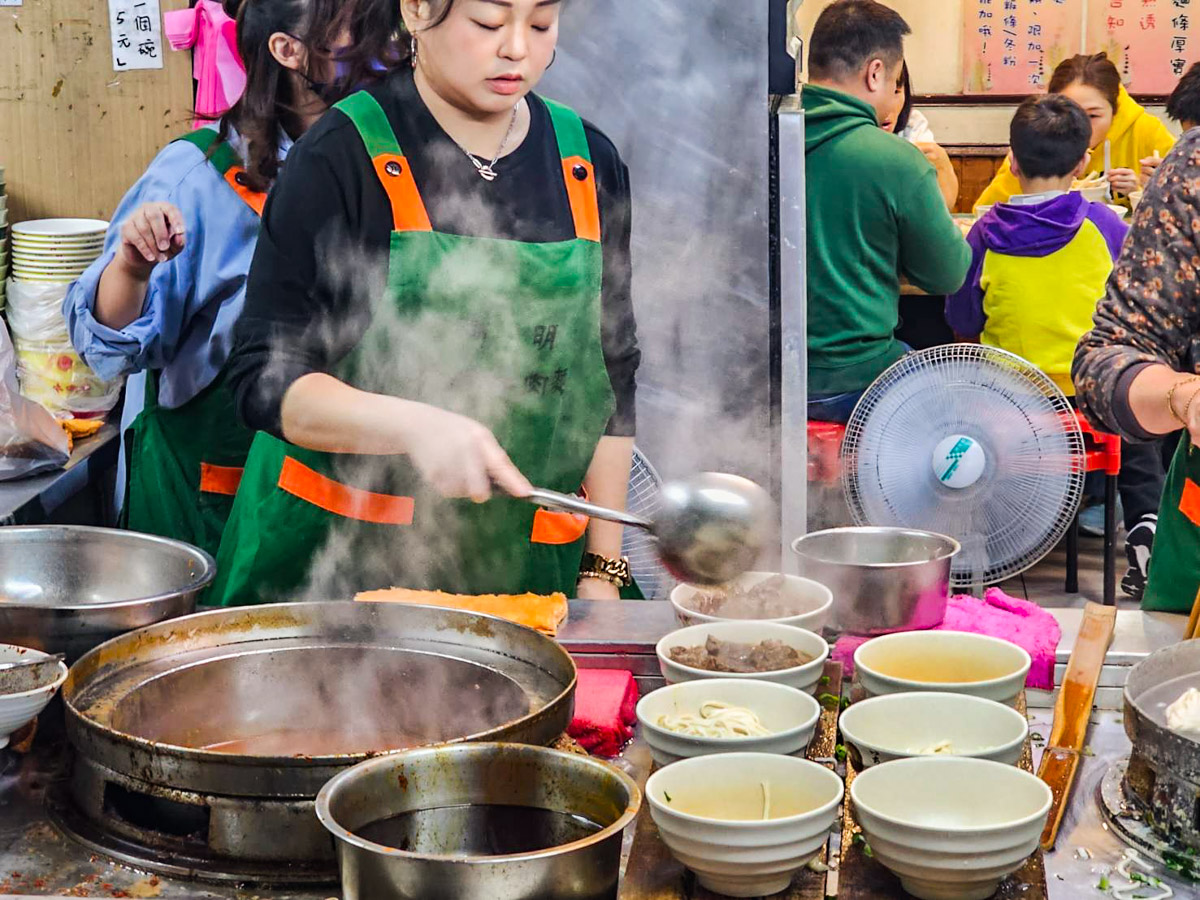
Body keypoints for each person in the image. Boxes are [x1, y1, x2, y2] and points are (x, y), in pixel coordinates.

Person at [207, 0, 641, 606]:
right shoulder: (338, 156)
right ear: (415, 10)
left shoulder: (587, 162)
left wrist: (602, 569)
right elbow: (263, 379)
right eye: (489, 23)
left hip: (531, 580)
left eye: (541, 24)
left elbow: (613, 373)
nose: (517, 48)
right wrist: (416, 426)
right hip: (333, 579)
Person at [63, 0, 400, 559]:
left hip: (351, 519)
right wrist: (132, 266)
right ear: (289, 50)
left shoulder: (395, 165)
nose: (383, 47)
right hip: (217, 515)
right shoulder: (199, 177)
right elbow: (106, 344)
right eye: (358, 29)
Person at [948, 95, 1163, 599]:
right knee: (1139, 432)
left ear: (1012, 161)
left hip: (1011, 405)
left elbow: (962, 320)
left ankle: (982, 543)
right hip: (1091, 398)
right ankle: (1145, 535)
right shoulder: (1105, 227)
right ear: (1083, 162)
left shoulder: (982, 236)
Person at [803, 0, 971, 424]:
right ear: (875, 73)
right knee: (961, 414)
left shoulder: (761, 138)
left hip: (761, 375)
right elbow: (948, 275)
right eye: (895, 81)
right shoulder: (896, 160)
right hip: (857, 378)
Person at [976, 53, 1175, 210]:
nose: (1081, 127)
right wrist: (1025, 172)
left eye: (1093, 116)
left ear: (1115, 111)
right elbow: (987, 209)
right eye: (1069, 115)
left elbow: (1182, 207)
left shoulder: (1146, 131)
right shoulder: (1038, 136)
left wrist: (1144, 191)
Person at [883, 62, 957, 209]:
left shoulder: (912, 125)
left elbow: (943, 207)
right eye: (878, 94)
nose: (888, 107)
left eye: (896, 91)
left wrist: (943, 166)